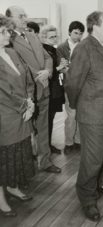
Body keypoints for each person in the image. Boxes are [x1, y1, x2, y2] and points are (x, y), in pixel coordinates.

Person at [65, 11, 103, 221]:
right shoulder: (84, 48)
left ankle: (97, 184)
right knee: (92, 160)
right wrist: (75, 106)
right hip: (93, 115)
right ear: (95, 25)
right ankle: (87, 199)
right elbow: (73, 83)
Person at [6, 6, 61, 173]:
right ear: (10, 20)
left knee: (43, 128)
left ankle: (44, 161)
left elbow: (46, 57)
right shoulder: (8, 40)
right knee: (24, 131)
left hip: (43, 89)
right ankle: (25, 165)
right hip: (25, 93)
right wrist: (39, 73)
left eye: (25, 15)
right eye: (20, 16)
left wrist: (48, 71)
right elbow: (18, 66)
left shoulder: (32, 35)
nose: (25, 18)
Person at [0, 15, 35, 217]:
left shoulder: (12, 53)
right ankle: (1, 197)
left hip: (23, 112)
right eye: (3, 32)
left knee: (19, 152)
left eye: (8, 31)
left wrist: (30, 101)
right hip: (5, 116)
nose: (8, 35)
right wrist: (25, 106)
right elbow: (4, 92)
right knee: (4, 157)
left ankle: (12, 186)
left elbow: (27, 77)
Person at [57, 21, 84, 154]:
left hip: (83, 86)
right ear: (69, 32)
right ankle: (69, 142)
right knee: (71, 114)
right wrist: (72, 69)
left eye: (80, 33)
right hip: (69, 85)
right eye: (75, 32)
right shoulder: (62, 47)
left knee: (81, 114)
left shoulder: (83, 46)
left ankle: (78, 141)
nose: (78, 36)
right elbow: (62, 68)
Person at [40, 25, 68, 154]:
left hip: (56, 89)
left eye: (56, 36)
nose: (55, 39)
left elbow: (57, 70)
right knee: (46, 121)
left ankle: (48, 146)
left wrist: (63, 67)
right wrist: (59, 67)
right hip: (49, 90)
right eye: (51, 37)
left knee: (50, 119)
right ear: (44, 37)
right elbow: (44, 72)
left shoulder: (53, 50)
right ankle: (44, 148)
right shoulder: (42, 51)